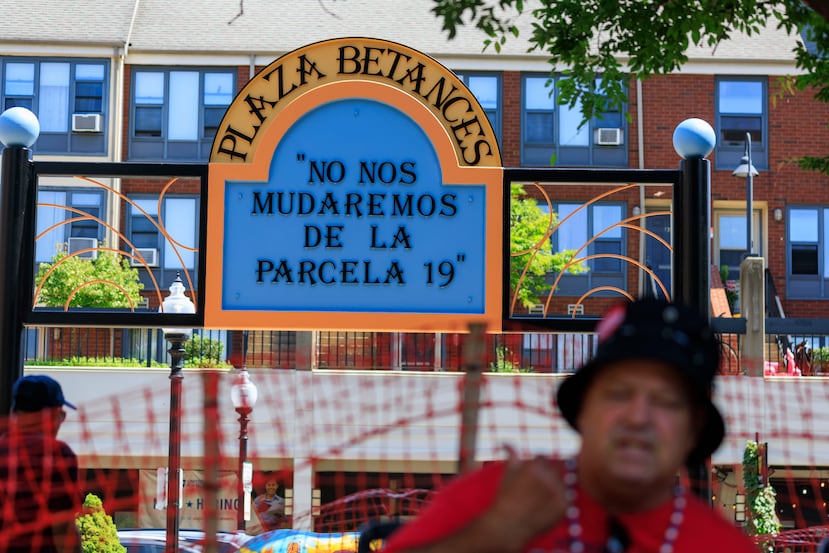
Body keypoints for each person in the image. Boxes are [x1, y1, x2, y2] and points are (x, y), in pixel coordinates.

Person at [381, 298, 757, 553]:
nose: (638, 417)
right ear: (583, 410)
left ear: (693, 429)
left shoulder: (721, 545)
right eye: (618, 394)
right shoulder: (493, 499)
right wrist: (497, 532)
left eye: (666, 402)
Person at [0, 374, 82, 553]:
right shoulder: (57, 455)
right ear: (55, 415)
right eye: (61, 415)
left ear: (14, 413)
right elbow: (62, 529)